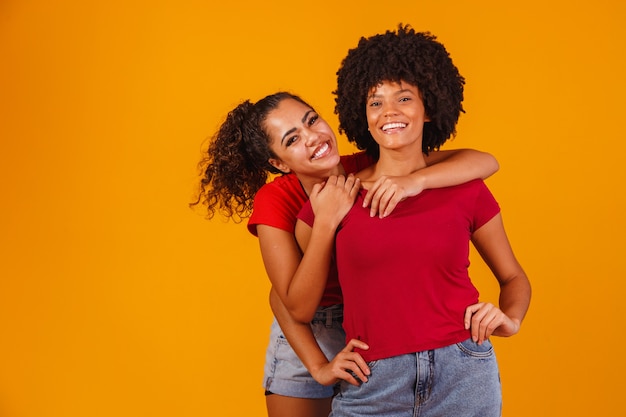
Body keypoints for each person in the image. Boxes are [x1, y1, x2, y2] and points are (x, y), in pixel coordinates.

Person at [192, 91, 500, 417]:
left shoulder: (367, 164)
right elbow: (289, 302)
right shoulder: (276, 200)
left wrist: (416, 181)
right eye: (293, 139)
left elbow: (484, 161)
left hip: (375, 328)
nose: (312, 138)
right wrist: (325, 221)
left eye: (311, 121)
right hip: (310, 331)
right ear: (279, 163)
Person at [296, 25, 531, 417]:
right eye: (375, 102)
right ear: (362, 115)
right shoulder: (337, 197)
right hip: (373, 379)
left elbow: (514, 278)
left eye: (404, 98)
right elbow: (294, 299)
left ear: (429, 107)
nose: (389, 112)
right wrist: (320, 367)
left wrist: (511, 319)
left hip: (464, 373)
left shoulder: (465, 188)